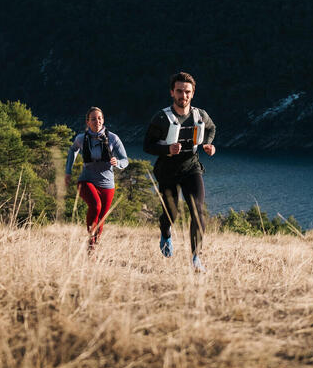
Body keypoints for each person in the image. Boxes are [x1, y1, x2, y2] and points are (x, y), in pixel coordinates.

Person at [143, 71, 216, 272]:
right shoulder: (161, 118)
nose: (183, 96)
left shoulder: (200, 115)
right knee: (171, 213)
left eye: (187, 92)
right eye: (179, 91)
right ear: (172, 92)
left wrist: (208, 145)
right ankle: (165, 232)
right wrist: (167, 149)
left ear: (192, 93)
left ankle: (195, 258)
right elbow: (147, 145)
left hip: (191, 166)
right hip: (167, 169)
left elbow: (211, 128)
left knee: (198, 210)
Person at [65, 107, 129, 252]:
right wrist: (68, 171)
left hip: (107, 184)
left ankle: (93, 245)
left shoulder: (113, 138)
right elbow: (73, 150)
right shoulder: (81, 139)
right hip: (86, 180)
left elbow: (125, 160)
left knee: (101, 218)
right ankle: (90, 240)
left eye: (99, 118)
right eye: (93, 119)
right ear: (87, 122)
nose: (97, 121)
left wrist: (117, 163)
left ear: (103, 120)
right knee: (96, 206)